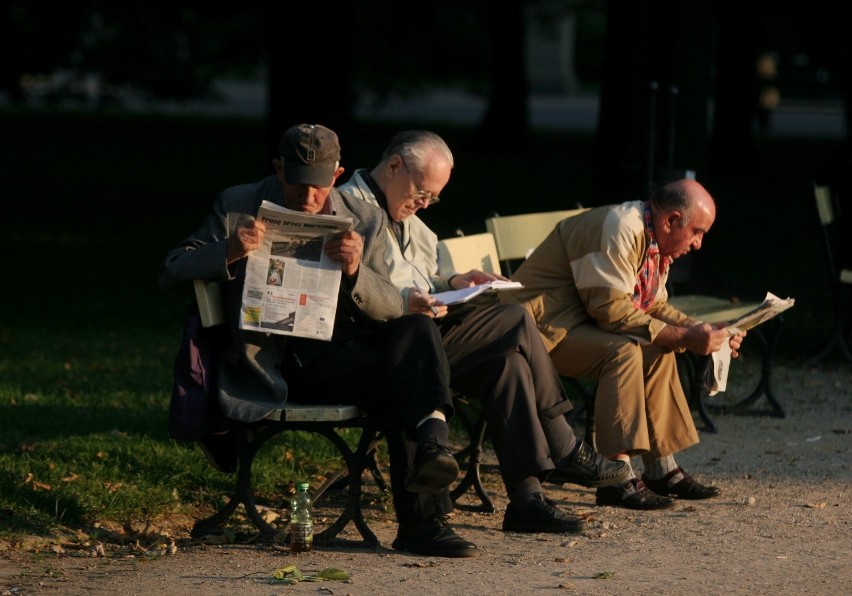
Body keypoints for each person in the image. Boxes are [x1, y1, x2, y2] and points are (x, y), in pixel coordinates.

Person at [158, 123, 477, 558]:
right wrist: (229, 251)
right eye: (298, 184)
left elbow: (389, 304)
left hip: (339, 354)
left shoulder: (361, 217)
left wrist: (355, 271)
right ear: (278, 169)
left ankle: (431, 452)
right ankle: (424, 515)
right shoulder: (237, 204)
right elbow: (172, 271)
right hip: (277, 362)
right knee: (403, 381)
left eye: (320, 186)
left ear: (338, 173)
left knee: (414, 332)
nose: (309, 199)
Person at [337, 130, 629, 534]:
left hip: (427, 337)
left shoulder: (413, 223)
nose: (423, 204)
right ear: (393, 166)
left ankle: (526, 499)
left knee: (506, 365)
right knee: (515, 318)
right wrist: (415, 298)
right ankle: (563, 444)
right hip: (395, 345)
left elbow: (426, 276)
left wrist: (457, 281)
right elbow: (367, 288)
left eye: (432, 198)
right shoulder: (349, 209)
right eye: (422, 193)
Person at [503, 178, 746, 510]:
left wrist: (703, 330)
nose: (699, 243)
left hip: (575, 323)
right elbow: (610, 310)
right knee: (624, 351)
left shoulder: (653, 241)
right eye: (697, 232)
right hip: (538, 332)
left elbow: (653, 307)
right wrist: (686, 337)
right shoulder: (620, 228)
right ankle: (616, 478)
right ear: (671, 220)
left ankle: (661, 468)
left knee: (658, 347)